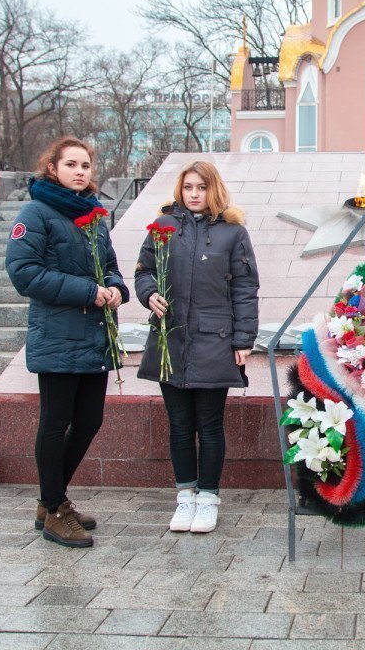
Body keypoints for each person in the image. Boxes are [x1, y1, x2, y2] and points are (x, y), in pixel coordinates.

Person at [5, 136, 128, 549]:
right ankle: (55, 509)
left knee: (89, 421)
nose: (80, 171)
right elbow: (23, 273)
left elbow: (110, 267)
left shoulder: (95, 216)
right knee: (56, 424)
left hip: (93, 336)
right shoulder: (36, 213)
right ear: (52, 168)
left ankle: (49, 499)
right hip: (58, 335)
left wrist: (114, 289)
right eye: (71, 164)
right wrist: (86, 291)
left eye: (86, 165)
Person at [135, 161, 260, 534]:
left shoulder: (233, 233)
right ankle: (184, 496)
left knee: (208, 426)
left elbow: (245, 288)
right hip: (170, 338)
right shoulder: (163, 227)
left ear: (213, 190)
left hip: (214, 339)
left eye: (201, 187)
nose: (193, 194)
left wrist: (243, 340)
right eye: (188, 187)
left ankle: (208, 499)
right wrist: (149, 294)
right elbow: (143, 271)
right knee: (178, 425)